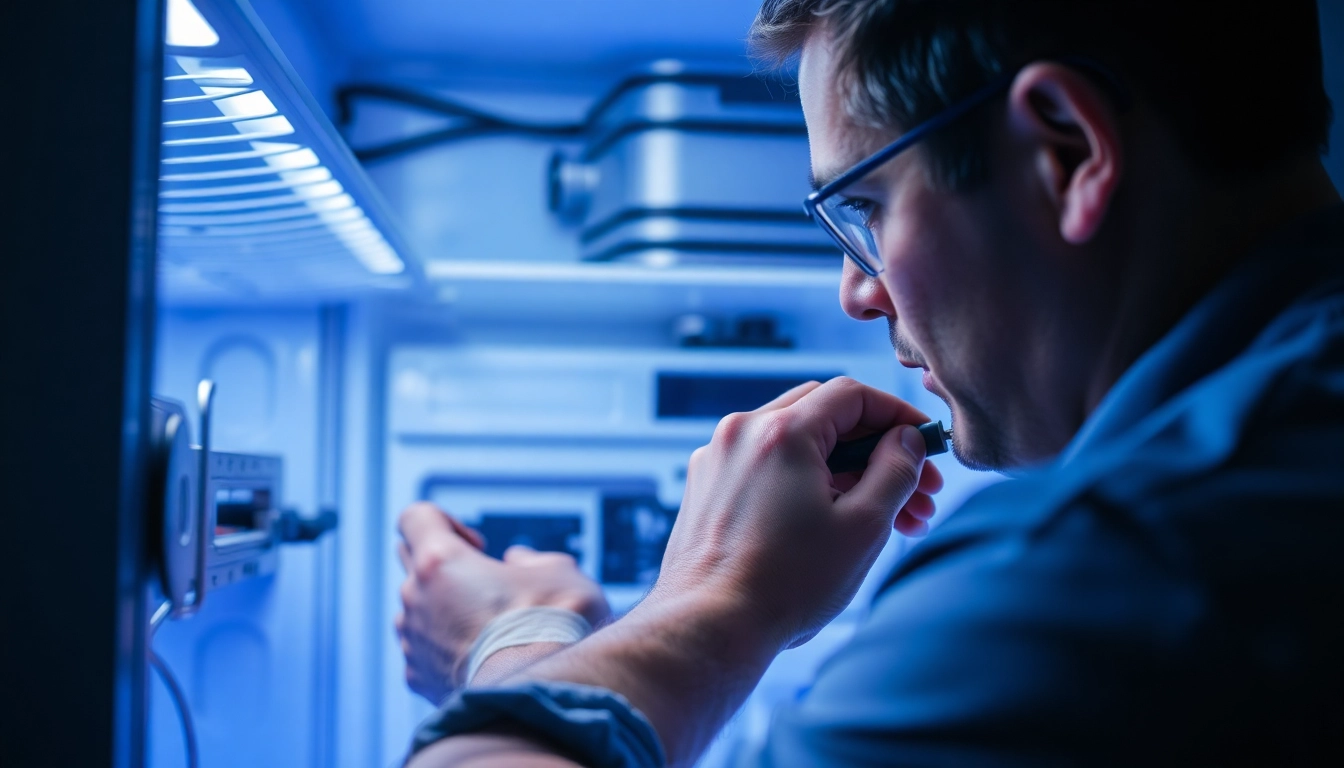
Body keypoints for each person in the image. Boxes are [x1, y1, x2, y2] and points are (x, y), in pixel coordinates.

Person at [396, 0, 1344, 764]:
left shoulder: (1108, 572)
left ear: (1064, 152)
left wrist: (619, 621)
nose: (856, 292)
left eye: (867, 204)